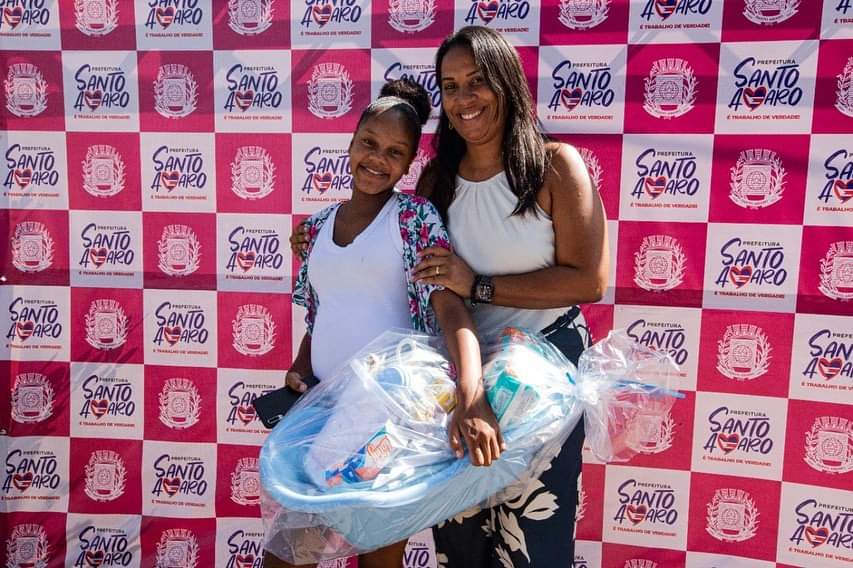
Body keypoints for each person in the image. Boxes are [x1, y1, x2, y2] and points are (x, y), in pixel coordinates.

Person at [264, 79, 503, 568]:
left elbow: (451, 310)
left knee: (379, 558)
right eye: (369, 143)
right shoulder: (316, 227)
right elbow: (323, 314)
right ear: (351, 142)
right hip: (323, 416)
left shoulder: (414, 219)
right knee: (287, 555)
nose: (377, 159)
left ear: (410, 162)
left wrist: (471, 395)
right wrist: (300, 368)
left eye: (395, 152)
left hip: (387, 424)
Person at [411, 27, 608, 567]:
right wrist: (470, 392)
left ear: (507, 83)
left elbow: (588, 281)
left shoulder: (556, 165)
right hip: (462, 378)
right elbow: (438, 291)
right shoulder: (435, 182)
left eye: (477, 81)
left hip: (543, 380)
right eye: (450, 86)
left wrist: (478, 283)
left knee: (535, 550)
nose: (463, 98)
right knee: (461, 548)